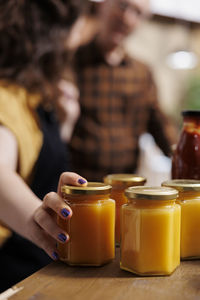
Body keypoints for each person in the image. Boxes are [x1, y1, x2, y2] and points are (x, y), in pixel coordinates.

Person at [0, 0, 88, 292]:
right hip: (11, 268)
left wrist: (65, 126)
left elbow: (36, 162)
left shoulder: (34, 95)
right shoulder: (6, 96)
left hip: (37, 268)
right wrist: (39, 221)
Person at [69, 0, 178, 181]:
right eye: (122, 6)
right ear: (103, 6)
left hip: (125, 188)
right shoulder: (70, 63)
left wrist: (186, 152)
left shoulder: (142, 73)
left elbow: (160, 125)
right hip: (78, 186)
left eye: (138, 13)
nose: (127, 18)